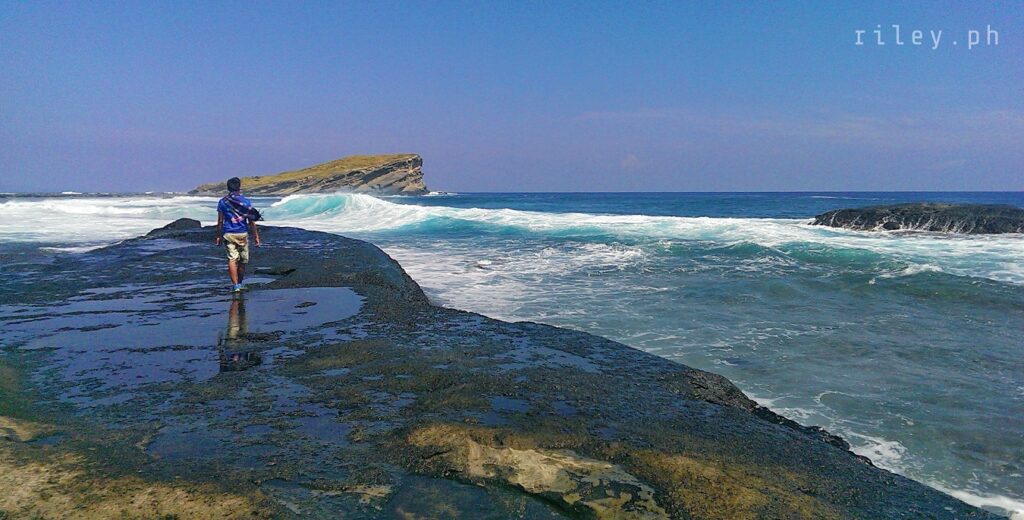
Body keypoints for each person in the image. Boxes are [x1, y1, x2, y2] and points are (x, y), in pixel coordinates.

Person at [215, 177, 262, 292]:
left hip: (228, 233)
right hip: (242, 233)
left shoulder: (223, 201)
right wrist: (256, 236)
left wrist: (218, 235)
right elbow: (251, 221)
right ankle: (240, 283)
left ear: (228, 187)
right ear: (239, 187)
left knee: (232, 259)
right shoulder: (245, 201)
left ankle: (235, 286)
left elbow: (220, 221)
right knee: (242, 260)